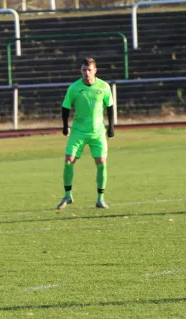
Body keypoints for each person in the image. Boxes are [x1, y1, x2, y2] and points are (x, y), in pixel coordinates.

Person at [57, 57, 114, 210]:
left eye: (89, 70)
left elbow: (110, 106)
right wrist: (65, 126)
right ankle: (67, 195)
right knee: (69, 160)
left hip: (97, 132)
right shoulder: (74, 88)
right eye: (84, 70)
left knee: (101, 162)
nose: (86, 73)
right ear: (80, 71)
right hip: (78, 132)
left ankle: (100, 199)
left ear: (95, 71)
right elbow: (65, 107)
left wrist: (111, 127)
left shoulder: (104, 86)